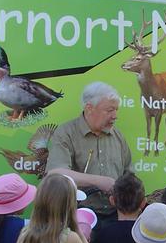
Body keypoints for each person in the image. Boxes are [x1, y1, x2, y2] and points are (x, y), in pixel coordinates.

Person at [46, 81, 132, 218]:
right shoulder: (66, 133)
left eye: (116, 110)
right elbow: (55, 174)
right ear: (89, 108)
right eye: (110, 110)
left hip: (114, 216)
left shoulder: (118, 136)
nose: (115, 116)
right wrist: (98, 181)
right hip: (77, 217)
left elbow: (129, 175)